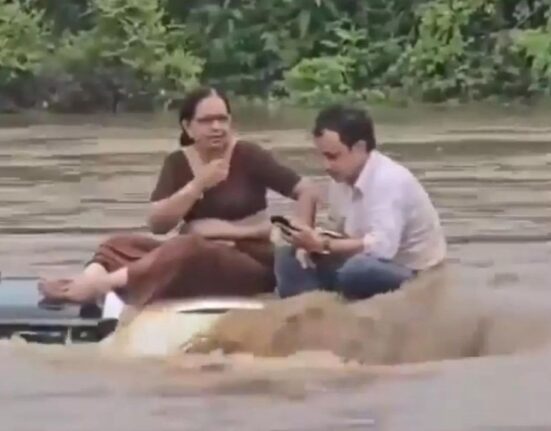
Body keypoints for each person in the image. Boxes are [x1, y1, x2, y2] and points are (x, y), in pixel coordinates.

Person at [39, 86, 317, 307]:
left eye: (223, 119)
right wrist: (197, 185)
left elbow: (307, 190)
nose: (217, 127)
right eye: (207, 121)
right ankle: (82, 284)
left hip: (249, 262)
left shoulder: (249, 155)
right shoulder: (177, 163)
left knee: (186, 248)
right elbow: (158, 224)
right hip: (193, 254)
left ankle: (101, 286)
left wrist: (301, 244)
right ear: (188, 127)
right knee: (119, 244)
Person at [274, 104, 446, 300]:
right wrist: (308, 240)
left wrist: (323, 244)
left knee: (357, 270)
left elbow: (381, 249)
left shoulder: (388, 181)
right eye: (323, 156)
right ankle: (310, 313)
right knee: (288, 255)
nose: (326, 166)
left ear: (360, 148)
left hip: (414, 274)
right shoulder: (341, 180)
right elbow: (340, 231)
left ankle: (332, 306)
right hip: (362, 264)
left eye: (333, 156)